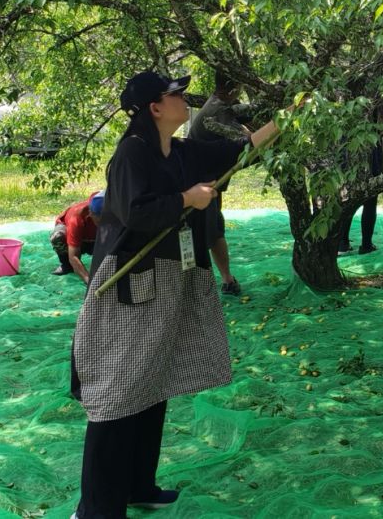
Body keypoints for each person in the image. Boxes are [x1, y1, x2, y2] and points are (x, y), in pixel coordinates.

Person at [70, 70, 289, 519]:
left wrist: (292, 118)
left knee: (153, 382)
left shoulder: (181, 151)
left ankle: (138, 486)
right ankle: (96, 509)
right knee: (119, 390)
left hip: (170, 279)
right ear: (154, 107)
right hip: (130, 285)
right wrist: (187, 200)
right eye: (176, 94)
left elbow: (242, 149)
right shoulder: (133, 153)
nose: (185, 98)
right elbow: (134, 213)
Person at [187, 69, 258, 296]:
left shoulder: (222, 103)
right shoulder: (216, 110)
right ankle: (204, 286)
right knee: (207, 233)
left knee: (214, 229)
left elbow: (244, 113)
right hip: (199, 186)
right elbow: (249, 142)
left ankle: (227, 279)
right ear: (233, 87)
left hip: (211, 182)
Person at [338, 105, 383, 254]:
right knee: (370, 201)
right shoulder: (375, 99)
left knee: (348, 198)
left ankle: (343, 243)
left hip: (349, 154)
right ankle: (365, 245)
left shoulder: (345, 102)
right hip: (370, 153)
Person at [50, 190, 104, 282]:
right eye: (100, 219)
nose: (105, 222)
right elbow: (73, 256)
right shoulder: (76, 218)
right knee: (57, 237)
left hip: (95, 240)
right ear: (90, 213)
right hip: (74, 240)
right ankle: (66, 266)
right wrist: (88, 280)